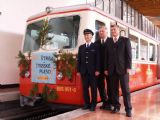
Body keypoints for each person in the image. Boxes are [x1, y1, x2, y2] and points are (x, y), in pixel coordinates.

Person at [104, 24, 132, 117]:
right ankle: (116, 106)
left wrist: (128, 67)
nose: (113, 31)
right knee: (113, 90)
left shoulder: (125, 40)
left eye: (114, 30)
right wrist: (106, 69)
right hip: (112, 70)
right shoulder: (108, 42)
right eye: (111, 30)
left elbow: (129, 55)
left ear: (118, 30)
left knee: (125, 90)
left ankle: (128, 109)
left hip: (123, 70)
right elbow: (106, 57)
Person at [77, 29, 100, 111]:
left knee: (94, 89)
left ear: (91, 36)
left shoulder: (96, 46)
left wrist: (97, 70)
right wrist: (78, 71)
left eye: (88, 35)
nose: (87, 36)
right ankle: (87, 104)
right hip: (84, 72)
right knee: (85, 88)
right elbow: (79, 60)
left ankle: (93, 105)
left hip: (93, 72)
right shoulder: (81, 47)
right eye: (85, 35)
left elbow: (98, 59)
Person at [95, 26, 112, 110]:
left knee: (110, 86)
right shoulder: (96, 43)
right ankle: (104, 102)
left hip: (108, 69)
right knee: (100, 86)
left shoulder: (111, 41)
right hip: (99, 69)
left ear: (106, 32)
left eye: (102, 31)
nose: (101, 33)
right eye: (99, 31)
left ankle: (110, 103)